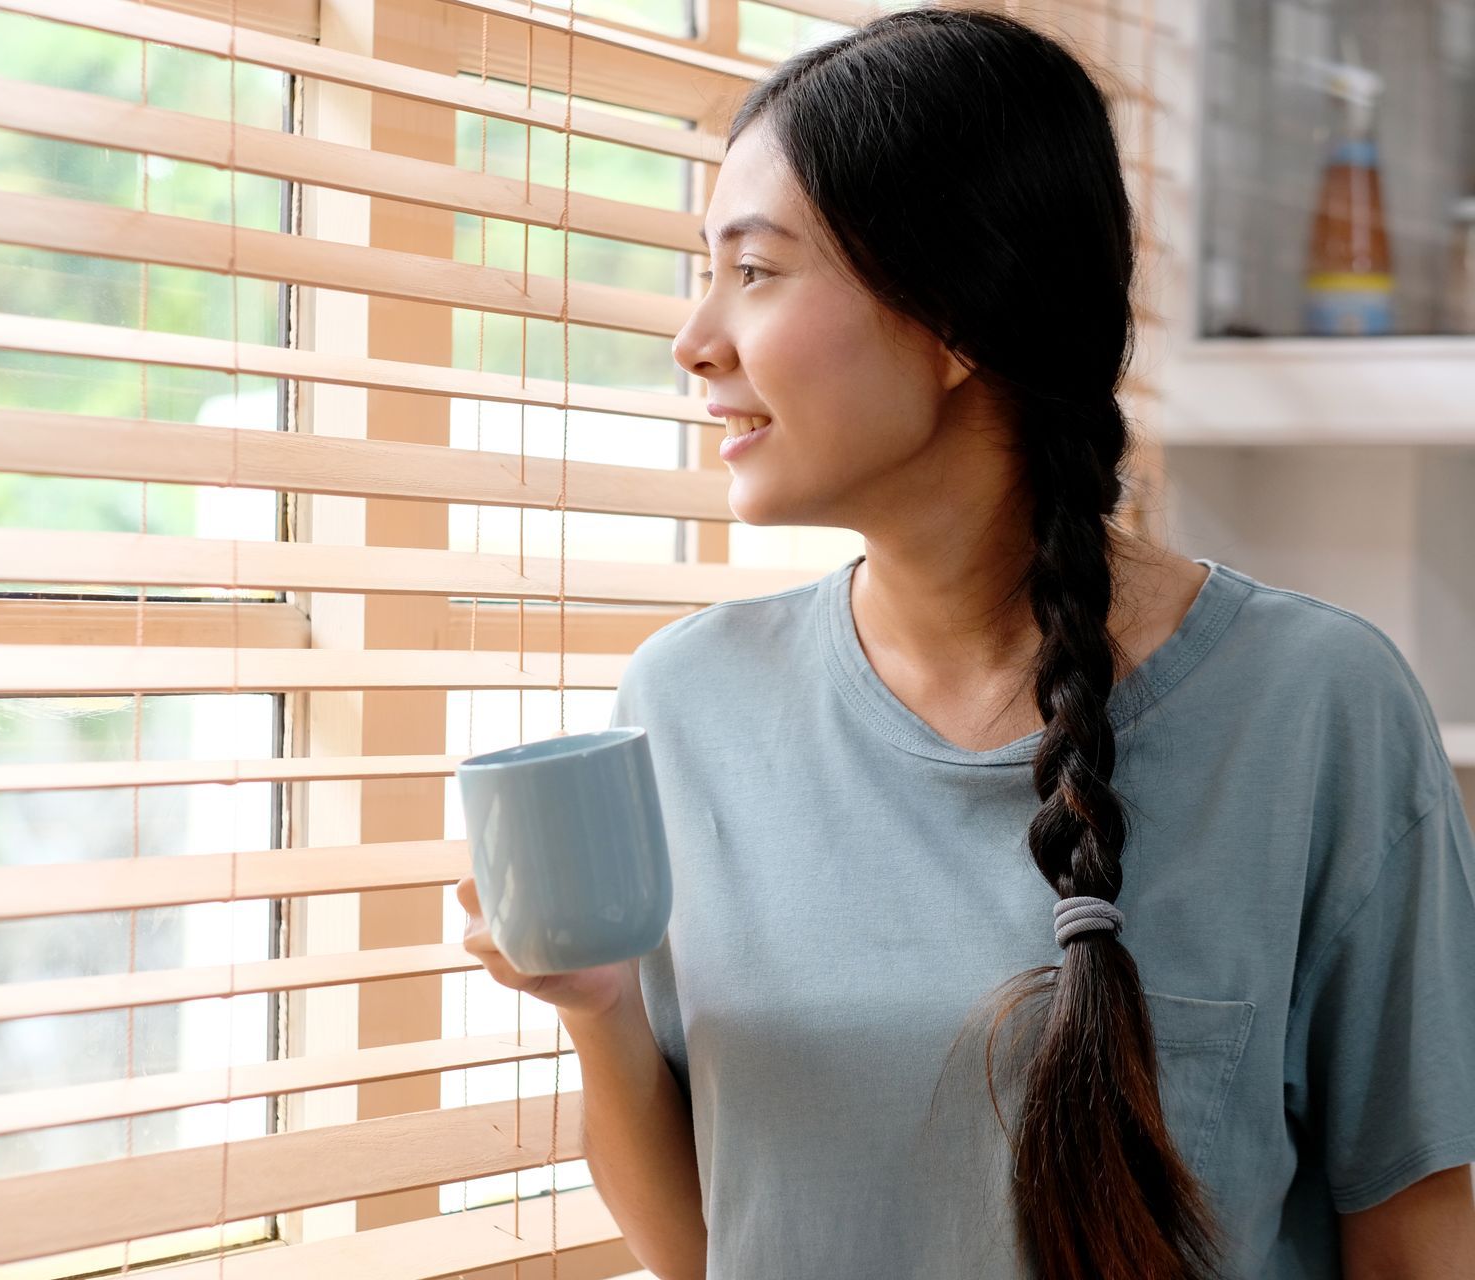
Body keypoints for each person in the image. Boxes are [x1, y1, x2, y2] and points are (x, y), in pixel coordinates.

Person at [454, 9, 1475, 1279]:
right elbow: (701, 1248)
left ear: (952, 316)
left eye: (756, 270)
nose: (694, 339)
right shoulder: (688, 700)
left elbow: (1420, 1232)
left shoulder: (1317, 707)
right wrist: (598, 1008)